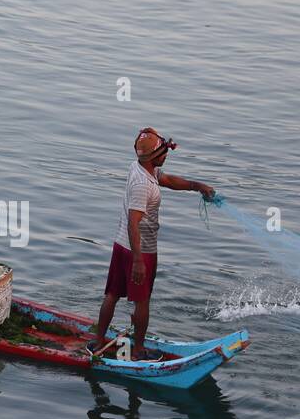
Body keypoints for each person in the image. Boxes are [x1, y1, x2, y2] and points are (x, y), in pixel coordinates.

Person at [91, 128, 214, 359]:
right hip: (140, 249)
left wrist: (197, 186)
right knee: (143, 301)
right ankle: (138, 350)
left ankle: (98, 341)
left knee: (112, 294)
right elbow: (133, 222)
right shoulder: (142, 186)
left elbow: (166, 179)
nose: (166, 155)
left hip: (121, 245)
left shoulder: (140, 166)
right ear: (152, 157)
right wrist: (138, 260)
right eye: (163, 152)